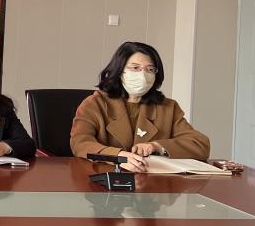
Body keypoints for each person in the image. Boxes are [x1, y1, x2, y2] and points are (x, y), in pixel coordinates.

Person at [70, 41, 210, 171]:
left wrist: (157, 146)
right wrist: (117, 156)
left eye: (150, 69)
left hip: (153, 183)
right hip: (105, 180)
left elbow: (200, 145)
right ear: (119, 70)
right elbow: (79, 143)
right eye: (135, 68)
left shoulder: (168, 107)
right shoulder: (95, 103)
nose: (143, 75)